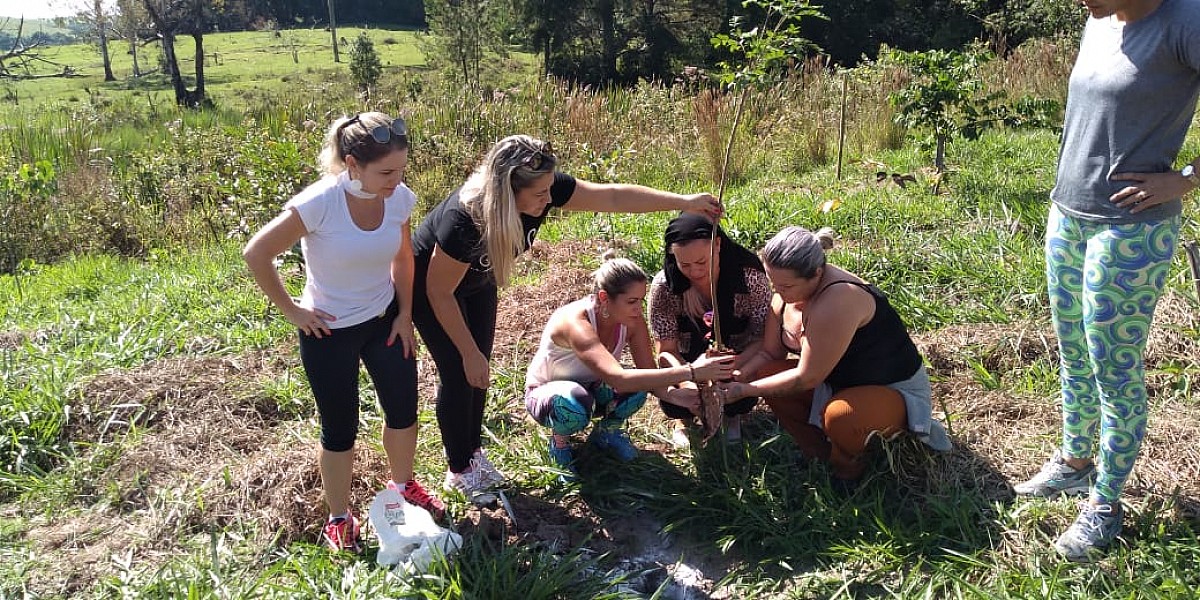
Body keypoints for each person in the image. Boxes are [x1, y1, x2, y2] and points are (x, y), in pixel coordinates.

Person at [411, 134, 723, 499]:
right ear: (507, 191)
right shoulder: (463, 221)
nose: (548, 201)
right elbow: (438, 290)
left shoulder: (541, 186)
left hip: (479, 281)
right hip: (434, 291)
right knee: (461, 369)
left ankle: (473, 452)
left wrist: (684, 202)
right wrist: (466, 351)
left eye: (549, 191)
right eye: (540, 195)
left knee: (480, 373)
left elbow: (611, 197)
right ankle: (459, 469)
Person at [1012, 0, 1200, 562]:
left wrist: (1185, 180)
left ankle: (1105, 505)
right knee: (1074, 354)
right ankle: (1074, 463)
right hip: (1067, 216)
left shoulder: (1185, 21)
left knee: (1114, 370)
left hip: (1131, 229)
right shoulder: (1100, 18)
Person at [242, 112, 445, 554]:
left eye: (401, 170)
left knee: (404, 412)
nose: (396, 181)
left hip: (384, 321)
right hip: (328, 331)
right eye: (386, 172)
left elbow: (403, 260)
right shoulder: (320, 203)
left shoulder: (398, 198)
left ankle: (404, 485)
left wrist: (405, 313)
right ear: (352, 163)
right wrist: (294, 311)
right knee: (340, 430)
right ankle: (339, 517)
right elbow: (257, 252)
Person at [719, 227, 952, 486]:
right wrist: (740, 373)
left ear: (816, 274)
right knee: (768, 374)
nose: (777, 290)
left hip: (890, 390)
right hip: (836, 384)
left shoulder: (838, 300)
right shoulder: (784, 298)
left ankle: (848, 472)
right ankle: (819, 455)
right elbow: (769, 353)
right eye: (773, 281)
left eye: (786, 285)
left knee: (841, 416)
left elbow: (806, 377)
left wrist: (744, 390)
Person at [524, 256, 736, 481]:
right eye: (632, 301)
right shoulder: (575, 322)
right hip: (550, 394)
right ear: (605, 298)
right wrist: (693, 371)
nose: (638, 309)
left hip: (594, 386)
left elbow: (649, 374)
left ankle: (606, 433)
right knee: (573, 404)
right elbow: (619, 379)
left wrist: (678, 396)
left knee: (640, 385)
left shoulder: (631, 321)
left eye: (641, 301)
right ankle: (560, 444)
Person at [648, 212, 772, 445]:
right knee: (674, 397)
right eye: (684, 264)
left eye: (702, 262)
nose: (694, 271)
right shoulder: (665, 287)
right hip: (688, 363)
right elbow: (666, 350)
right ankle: (682, 420)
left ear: (717, 245)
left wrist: (738, 368)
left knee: (740, 394)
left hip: (736, 359)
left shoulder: (749, 278)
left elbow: (762, 337)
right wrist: (688, 381)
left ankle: (733, 416)